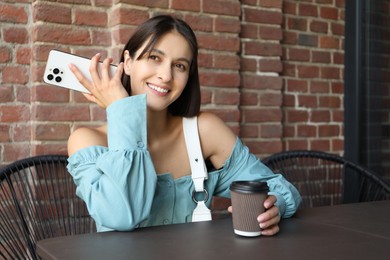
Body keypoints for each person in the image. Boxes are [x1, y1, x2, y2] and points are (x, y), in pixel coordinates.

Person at [67, 15, 301, 235]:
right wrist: (120, 109)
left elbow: (278, 188)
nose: (166, 76)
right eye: (154, 58)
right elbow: (122, 216)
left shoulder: (204, 131)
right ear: (127, 63)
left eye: (179, 66)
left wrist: (274, 207)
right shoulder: (87, 141)